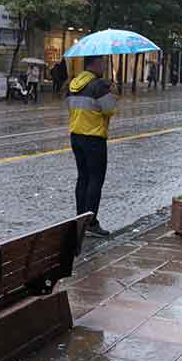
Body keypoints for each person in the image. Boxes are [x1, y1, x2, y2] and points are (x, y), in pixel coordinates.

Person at [66, 55, 118, 238]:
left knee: (83, 178)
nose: (104, 65)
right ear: (94, 63)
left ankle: (80, 218)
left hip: (76, 136)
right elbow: (110, 110)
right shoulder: (99, 85)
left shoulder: (73, 84)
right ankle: (91, 223)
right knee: (96, 180)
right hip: (94, 139)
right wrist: (112, 92)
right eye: (102, 62)